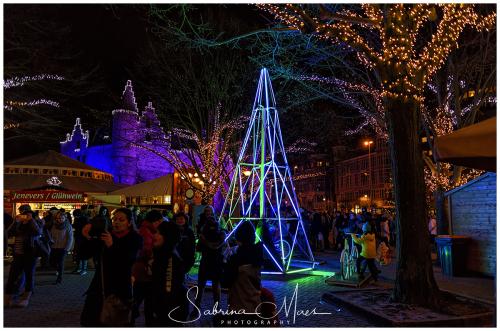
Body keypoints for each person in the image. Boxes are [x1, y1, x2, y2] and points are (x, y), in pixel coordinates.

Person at [79, 208, 143, 327]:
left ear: (129, 222)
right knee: (90, 321)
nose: (116, 222)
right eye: (114, 219)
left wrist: (112, 246)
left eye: (121, 220)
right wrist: (87, 237)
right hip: (100, 286)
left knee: (119, 322)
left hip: (121, 288)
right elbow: (83, 254)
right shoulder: (105, 235)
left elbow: (127, 262)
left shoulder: (135, 238)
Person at [223, 221, 263, 321]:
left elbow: (225, 281)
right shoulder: (257, 255)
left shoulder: (236, 259)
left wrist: (224, 263)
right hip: (255, 304)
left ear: (239, 239)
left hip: (239, 306)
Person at [5, 204, 43, 308]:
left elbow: (38, 232)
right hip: (18, 254)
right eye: (22, 213)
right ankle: (7, 299)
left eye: (26, 213)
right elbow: (9, 233)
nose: (24, 215)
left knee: (29, 276)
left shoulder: (37, 221)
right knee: (12, 277)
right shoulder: (19, 223)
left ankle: (25, 298)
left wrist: (31, 220)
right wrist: (15, 222)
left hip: (30, 254)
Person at [151, 221, 188, 326]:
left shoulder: (170, 258)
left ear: (167, 236)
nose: (155, 236)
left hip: (169, 312)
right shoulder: (162, 254)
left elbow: (169, 288)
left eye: (158, 233)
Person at [132, 209, 164, 326]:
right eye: (160, 221)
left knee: (143, 300)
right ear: (155, 221)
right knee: (144, 300)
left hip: (142, 271)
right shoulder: (146, 231)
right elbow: (146, 249)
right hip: (144, 272)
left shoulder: (147, 229)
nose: (161, 223)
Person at [194, 215, 224, 310]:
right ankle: (217, 307)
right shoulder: (221, 233)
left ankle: (197, 306)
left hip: (206, 261)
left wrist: (203, 240)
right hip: (216, 261)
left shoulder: (204, 234)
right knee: (216, 285)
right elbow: (217, 246)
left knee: (201, 285)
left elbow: (198, 248)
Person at [49, 210, 74, 284]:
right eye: (58, 218)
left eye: (61, 218)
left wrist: (67, 248)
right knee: (52, 262)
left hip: (63, 247)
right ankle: (58, 270)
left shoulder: (67, 226)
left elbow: (70, 238)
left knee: (60, 262)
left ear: (64, 218)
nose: (59, 219)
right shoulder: (54, 226)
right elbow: (51, 235)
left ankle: (60, 277)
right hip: (54, 247)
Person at [72, 208, 90, 275]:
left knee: (83, 254)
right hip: (78, 238)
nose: (75, 217)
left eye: (75, 215)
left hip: (83, 239)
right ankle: (79, 268)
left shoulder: (84, 219)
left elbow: (87, 228)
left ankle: (83, 269)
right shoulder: (79, 219)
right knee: (78, 254)